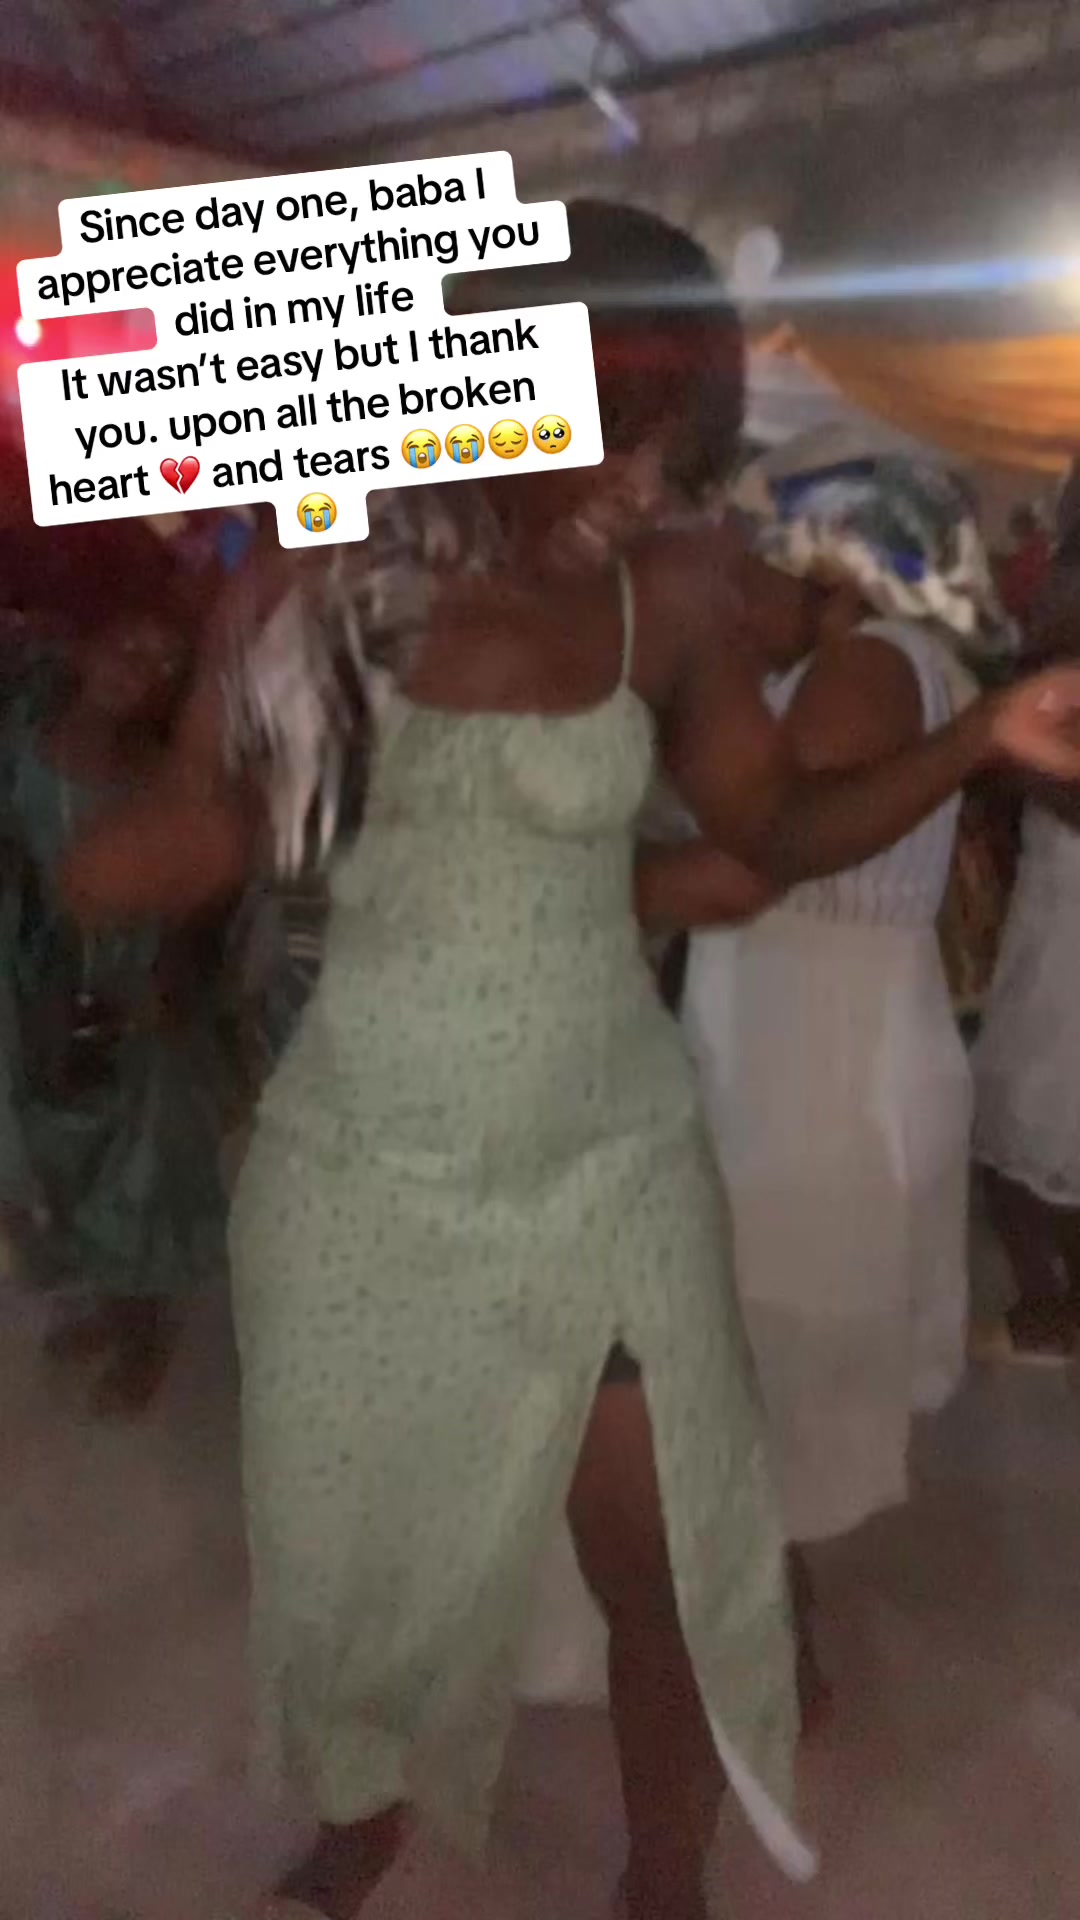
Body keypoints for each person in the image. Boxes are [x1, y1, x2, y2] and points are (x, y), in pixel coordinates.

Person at [57, 206, 1080, 1920]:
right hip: (366, 1160)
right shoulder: (311, 591)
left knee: (653, 1570)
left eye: (671, 437)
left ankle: (662, 1879)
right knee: (367, 1551)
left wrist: (981, 730)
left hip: (602, 1152)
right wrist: (127, 780)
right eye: (618, 422)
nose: (644, 474)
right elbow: (177, 841)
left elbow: (769, 834)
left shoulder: (667, 598)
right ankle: (362, 1816)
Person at [668, 452, 1002, 1721]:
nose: (739, 578)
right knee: (769, 1350)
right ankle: (772, 1630)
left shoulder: (865, 669)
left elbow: (760, 841)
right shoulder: (880, 663)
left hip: (810, 1060)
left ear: (842, 574)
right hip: (819, 1037)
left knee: (770, 1353)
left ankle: (775, 1653)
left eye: (765, 557)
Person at [0, 541, 232, 1415]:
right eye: (130, 645)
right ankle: (103, 1301)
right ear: (90, 641)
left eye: (164, 666)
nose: (138, 671)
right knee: (60, 1159)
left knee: (138, 1174)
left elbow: (197, 895)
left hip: (133, 997)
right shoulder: (26, 731)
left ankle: (147, 1328)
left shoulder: (155, 780)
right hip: (36, 970)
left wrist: (167, 985)